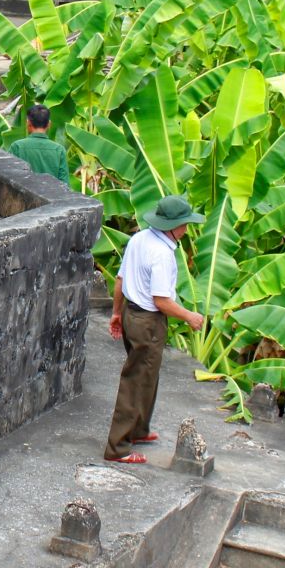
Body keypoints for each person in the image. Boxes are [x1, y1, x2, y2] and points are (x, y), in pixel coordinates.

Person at [105, 195, 206, 464]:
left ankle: (138, 429)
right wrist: (190, 317)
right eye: (184, 224)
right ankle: (118, 448)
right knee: (136, 381)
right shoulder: (162, 254)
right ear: (171, 226)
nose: (186, 230)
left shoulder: (139, 239)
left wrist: (116, 313)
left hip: (130, 313)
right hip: (148, 321)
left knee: (147, 376)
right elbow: (161, 300)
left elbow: (120, 279)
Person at [6, 104, 70, 183]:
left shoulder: (17, 147)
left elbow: (8, 177)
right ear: (49, 124)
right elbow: (64, 184)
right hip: (51, 195)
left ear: (28, 123)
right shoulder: (59, 150)